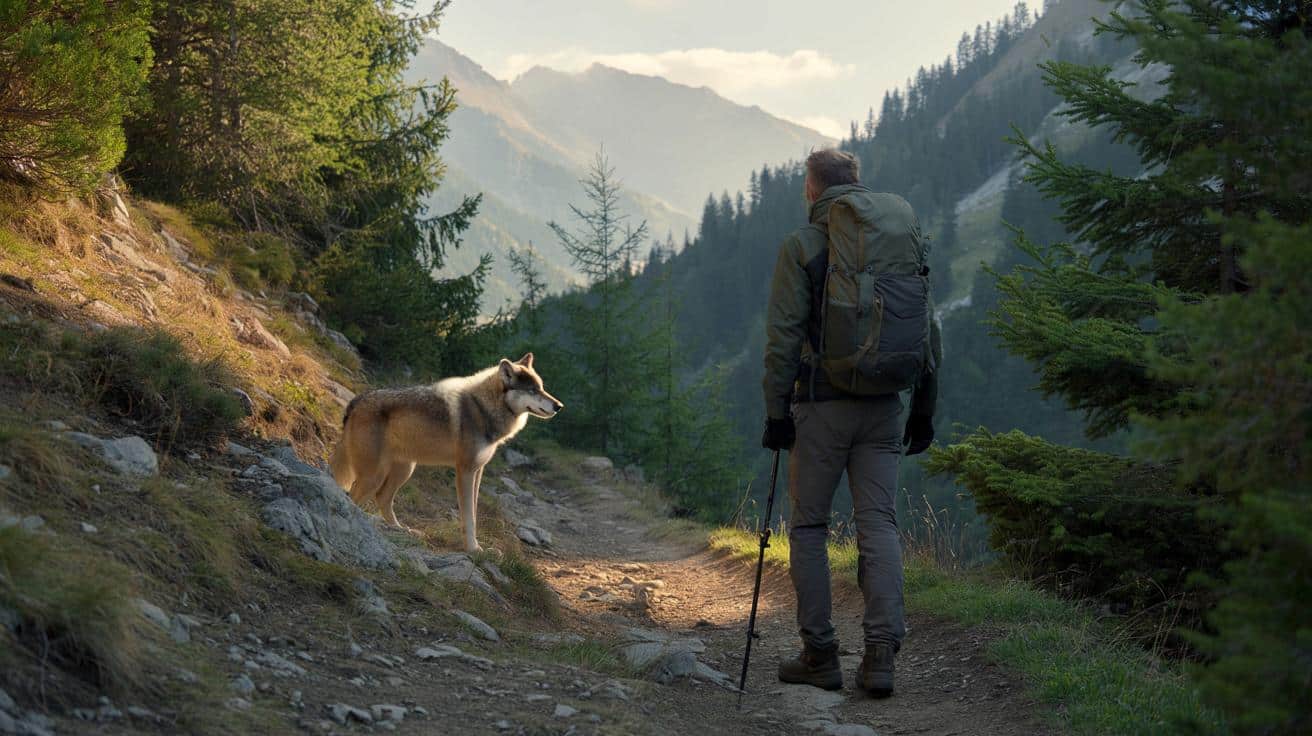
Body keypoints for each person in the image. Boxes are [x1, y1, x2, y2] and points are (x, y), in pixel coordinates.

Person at [761, 148, 939, 696]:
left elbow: (784, 338)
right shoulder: (898, 242)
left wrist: (775, 414)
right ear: (857, 185)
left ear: (813, 190)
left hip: (821, 407)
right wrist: (925, 410)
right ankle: (881, 656)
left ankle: (820, 655)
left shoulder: (804, 246)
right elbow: (928, 329)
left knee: (810, 527)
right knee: (878, 525)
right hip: (887, 406)